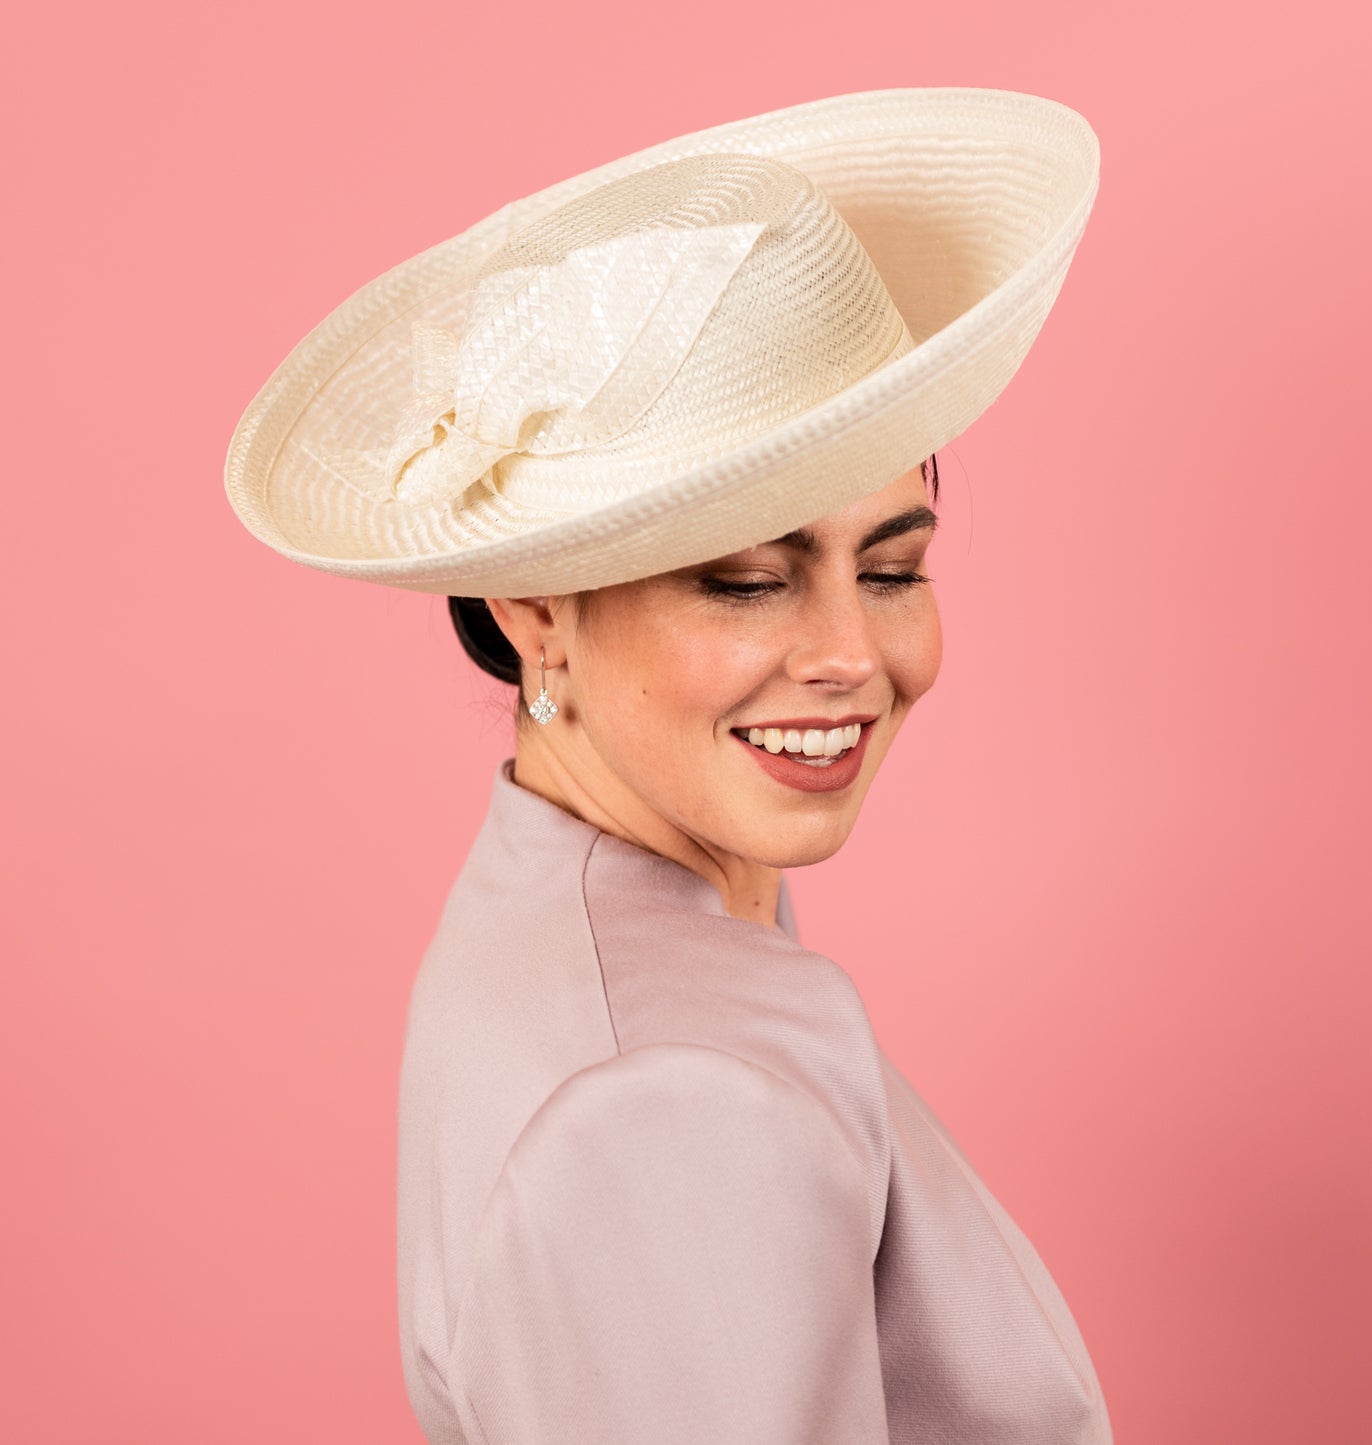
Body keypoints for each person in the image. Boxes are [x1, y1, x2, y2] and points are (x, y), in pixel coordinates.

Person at [226, 88, 1110, 1444]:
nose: (845, 654)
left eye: (891, 568)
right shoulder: (664, 1091)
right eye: (747, 580)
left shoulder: (584, 912)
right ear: (533, 608)